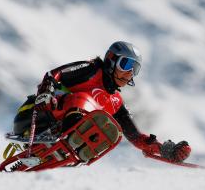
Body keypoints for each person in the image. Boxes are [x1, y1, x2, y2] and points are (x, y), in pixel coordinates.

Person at [14, 41, 191, 163]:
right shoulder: (92, 70)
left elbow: (135, 137)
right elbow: (54, 75)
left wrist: (165, 150)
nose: (129, 73)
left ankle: (77, 146)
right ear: (112, 60)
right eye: (126, 65)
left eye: (134, 69)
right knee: (84, 100)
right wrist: (46, 92)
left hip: (62, 130)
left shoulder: (115, 101)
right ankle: (71, 138)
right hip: (35, 117)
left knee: (112, 129)